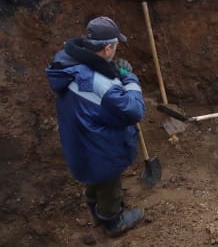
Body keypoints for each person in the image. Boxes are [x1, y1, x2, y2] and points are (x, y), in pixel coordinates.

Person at [45, 16, 146, 237]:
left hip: (78, 140)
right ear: (108, 48)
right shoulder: (100, 85)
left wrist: (110, 70)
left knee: (93, 177)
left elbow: (94, 93)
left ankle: (94, 204)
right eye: (116, 47)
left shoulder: (69, 64)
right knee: (108, 181)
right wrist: (129, 79)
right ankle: (113, 222)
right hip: (101, 148)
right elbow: (134, 110)